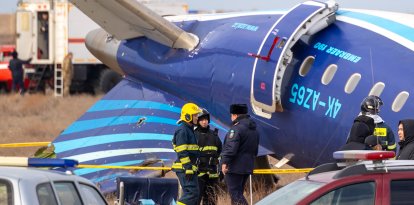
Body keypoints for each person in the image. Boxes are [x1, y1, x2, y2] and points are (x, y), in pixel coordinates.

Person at [221, 104, 259, 205]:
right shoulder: (254, 129)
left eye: (231, 115)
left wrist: (224, 162)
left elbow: (231, 149)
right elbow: (255, 150)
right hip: (247, 166)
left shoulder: (236, 129)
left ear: (235, 115)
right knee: (238, 195)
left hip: (234, 167)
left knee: (236, 195)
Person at [172, 102, 202, 205]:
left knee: (194, 194)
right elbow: (182, 151)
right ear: (188, 116)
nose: (197, 117)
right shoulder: (182, 130)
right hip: (184, 168)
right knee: (192, 194)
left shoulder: (189, 130)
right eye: (195, 115)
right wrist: (188, 168)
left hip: (189, 168)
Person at [195, 108, 222, 205]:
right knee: (196, 199)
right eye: (201, 119)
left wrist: (220, 169)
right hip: (199, 174)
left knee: (211, 200)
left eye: (206, 119)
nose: (204, 121)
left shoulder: (214, 135)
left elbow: (220, 152)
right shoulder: (194, 135)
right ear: (198, 121)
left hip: (212, 174)